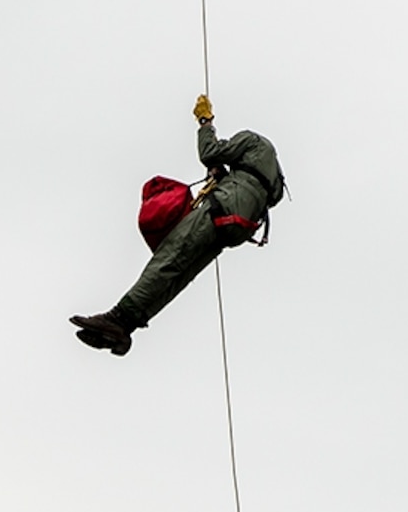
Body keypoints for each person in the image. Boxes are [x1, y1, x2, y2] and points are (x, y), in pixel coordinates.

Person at [71, 94, 285, 355]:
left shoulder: (253, 140)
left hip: (221, 210)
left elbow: (210, 153)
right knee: (179, 275)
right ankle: (124, 329)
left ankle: (117, 317)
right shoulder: (272, 178)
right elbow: (261, 193)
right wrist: (225, 176)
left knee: (170, 258)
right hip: (236, 228)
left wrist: (205, 123)